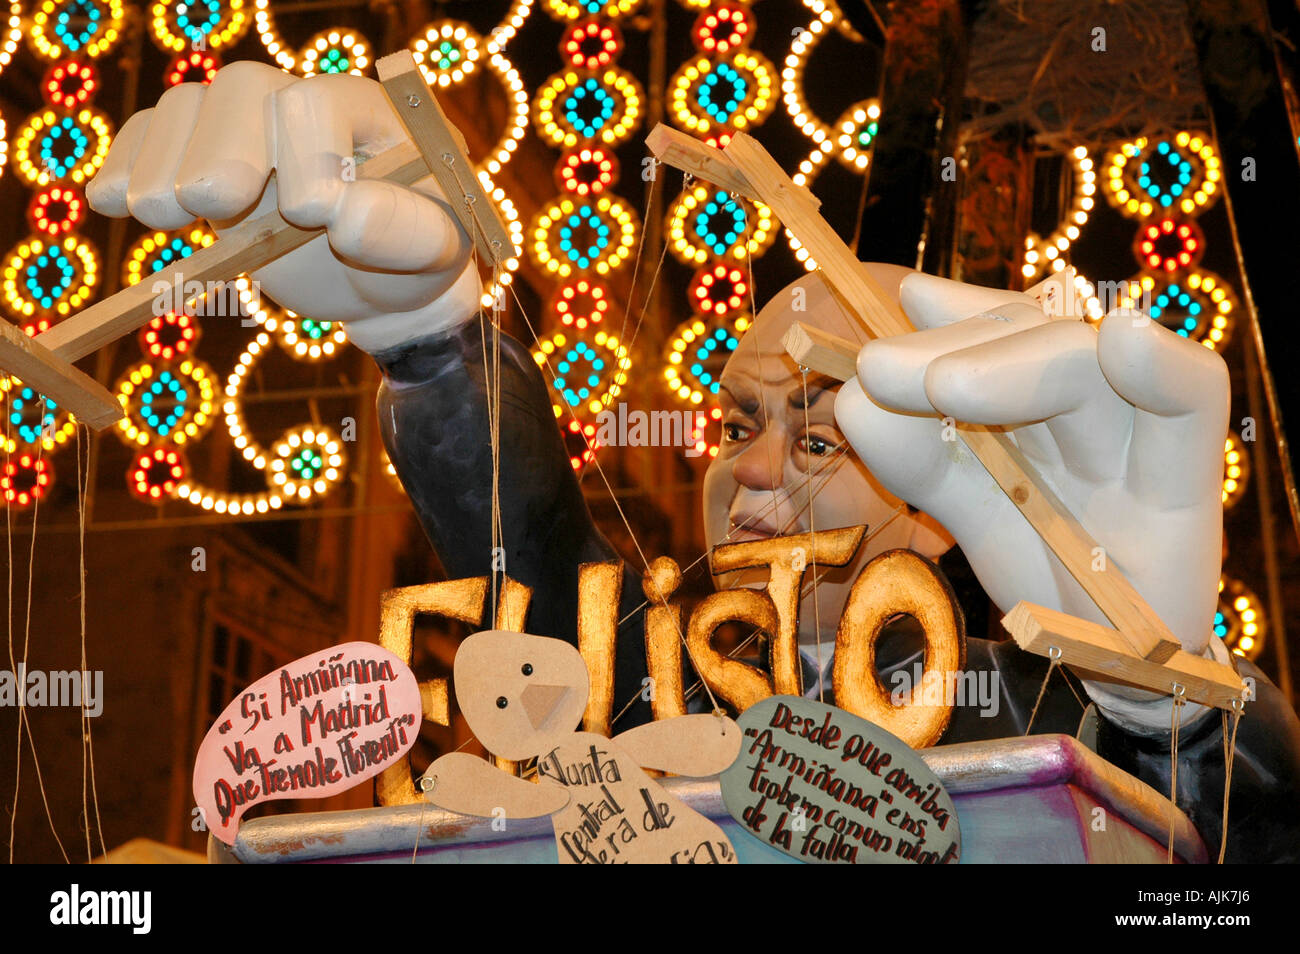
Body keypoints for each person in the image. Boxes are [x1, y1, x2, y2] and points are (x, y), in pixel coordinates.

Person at [88, 65, 1300, 861]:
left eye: (820, 436)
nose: (756, 470)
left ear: (942, 514)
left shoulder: (1046, 707)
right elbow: (534, 555)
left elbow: (1229, 846)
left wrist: (1162, 693)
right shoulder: (648, 678)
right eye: (734, 423)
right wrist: (427, 347)